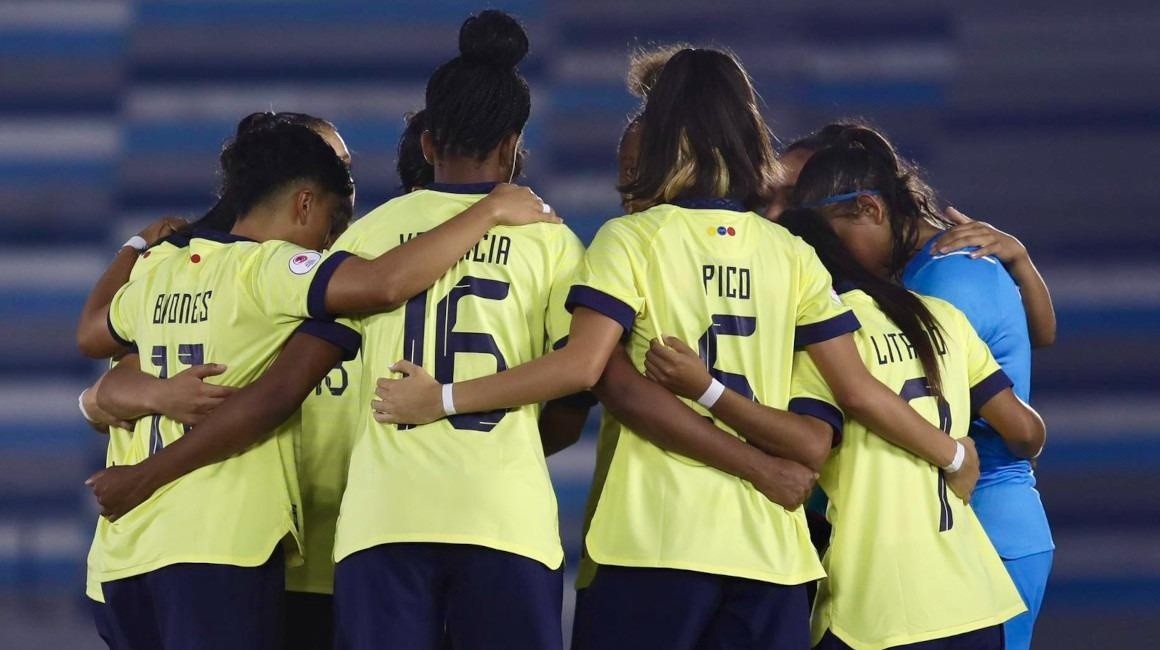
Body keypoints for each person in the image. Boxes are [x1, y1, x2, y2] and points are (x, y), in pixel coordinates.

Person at [375, 47, 982, 650]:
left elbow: (588, 368)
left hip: (651, 544)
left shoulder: (631, 240)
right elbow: (836, 414)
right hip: (771, 556)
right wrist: (950, 454)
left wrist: (444, 398)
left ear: (665, 136)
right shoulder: (792, 254)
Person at [75, 121, 557, 650]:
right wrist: (488, 211)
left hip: (129, 555)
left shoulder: (160, 270)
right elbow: (377, 289)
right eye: (334, 208)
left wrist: (136, 246)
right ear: (305, 201)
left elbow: (98, 345)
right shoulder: (279, 272)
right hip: (229, 542)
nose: (334, 236)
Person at [310, 11, 588, 650]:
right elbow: (574, 400)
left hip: (383, 518)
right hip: (503, 518)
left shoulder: (370, 233)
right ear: (514, 142)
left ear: (427, 142)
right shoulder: (549, 239)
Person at [644, 206, 1042, 648]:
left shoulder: (824, 345)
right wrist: (961, 453)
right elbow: (1026, 431)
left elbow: (809, 443)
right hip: (976, 598)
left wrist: (705, 389)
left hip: (879, 607)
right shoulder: (940, 318)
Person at [790, 125, 1055, 650]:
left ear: (871, 208)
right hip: (966, 517)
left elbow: (877, 392)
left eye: (831, 241)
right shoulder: (932, 270)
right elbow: (1038, 336)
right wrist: (1021, 262)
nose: (825, 259)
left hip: (981, 515)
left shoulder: (935, 288)